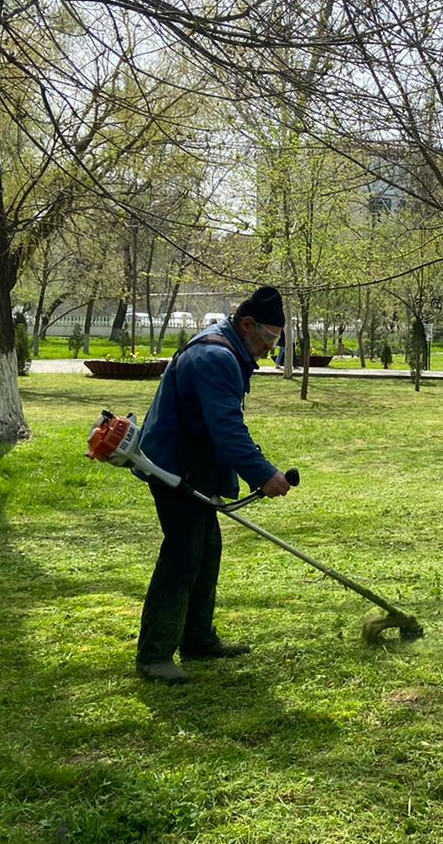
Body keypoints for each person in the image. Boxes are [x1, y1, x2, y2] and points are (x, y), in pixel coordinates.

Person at [134, 286, 293, 684]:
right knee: (183, 556)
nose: (268, 348)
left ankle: (198, 639)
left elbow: (219, 424)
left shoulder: (224, 349)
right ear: (247, 324)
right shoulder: (216, 356)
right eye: (268, 338)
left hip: (193, 465)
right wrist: (264, 474)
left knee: (206, 550)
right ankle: (154, 656)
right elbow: (227, 429)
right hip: (175, 468)